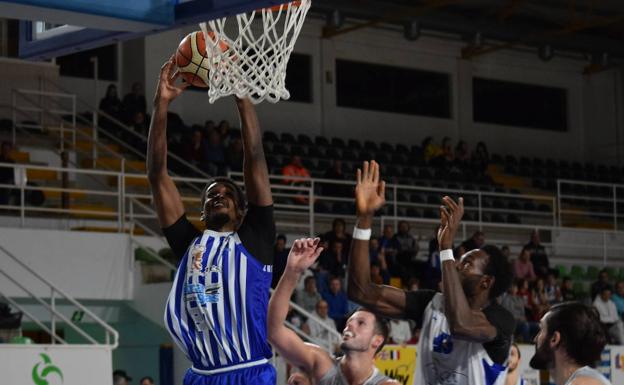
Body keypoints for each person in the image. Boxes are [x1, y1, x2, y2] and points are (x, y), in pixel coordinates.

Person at [148, 56, 276, 385]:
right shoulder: (191, 246)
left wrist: (240, 94)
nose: (217, 195)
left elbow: (255, 155)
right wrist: (161, 105)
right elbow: (157, 175)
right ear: (202, 213)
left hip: (250, 372)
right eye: (210, 195)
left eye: (227, 193)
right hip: (201, 376)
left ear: (243, 209)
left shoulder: (256, 237)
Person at [347, 160, 515, 385]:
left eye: (465, 264)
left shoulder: (501, 321)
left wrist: (446, 249)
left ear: (485, 282)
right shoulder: (430, 304)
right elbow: (360, 291)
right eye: (456, 261)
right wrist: (364, 218)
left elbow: (461, 324)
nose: (455, 266)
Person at [267, 237, 398, 385]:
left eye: (361, 323)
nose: (350, 326)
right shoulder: (321, 363)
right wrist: (293, 271)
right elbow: (274, 330)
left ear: (377, 340)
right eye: (349, 322)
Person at [529, 302, 611, 385]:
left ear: (554, 339)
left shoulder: (582, 382)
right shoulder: (586, 379)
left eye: (541, 329)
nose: (535, 339)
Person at [0, 141, 16, 205]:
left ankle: (4, 207)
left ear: (10, 150)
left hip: (7, 181)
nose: (6, 151)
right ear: (1, 150)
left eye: (8, 149)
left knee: (9, 185)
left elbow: (13, 175)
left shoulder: (12, 162)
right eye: (4, 149)